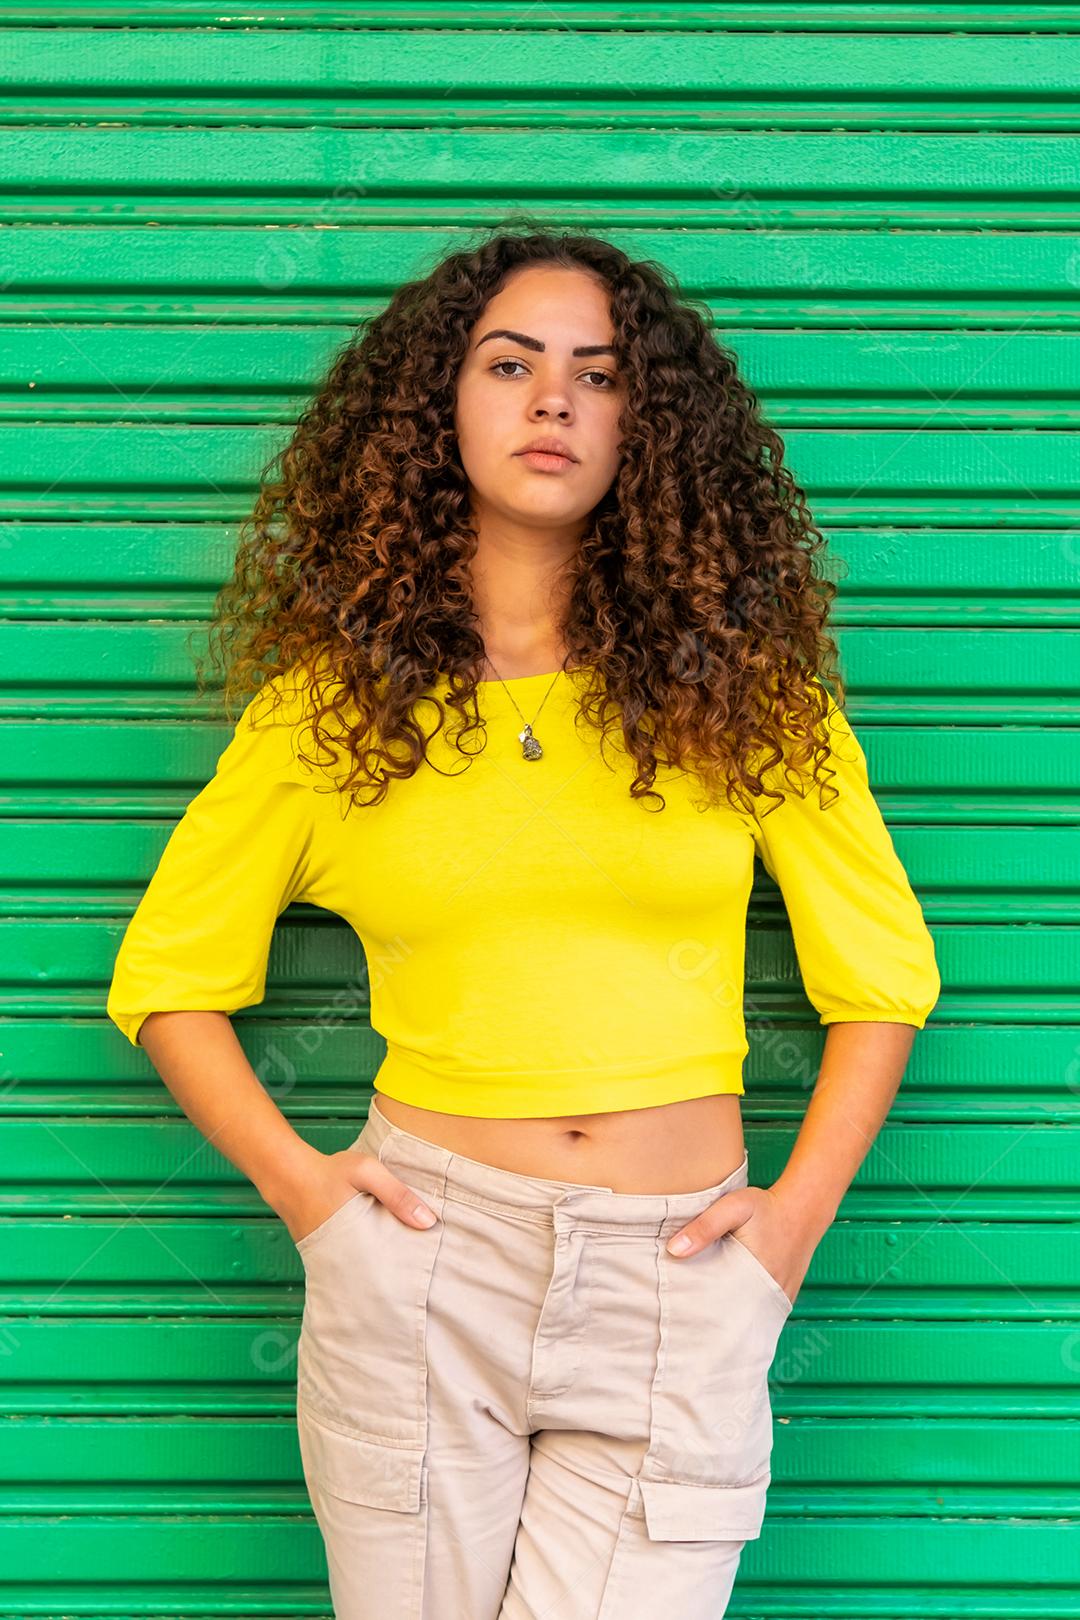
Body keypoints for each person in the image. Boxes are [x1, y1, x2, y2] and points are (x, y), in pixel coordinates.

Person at [105, 222, 941, 1619]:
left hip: (679, 1274)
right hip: (427, 1265)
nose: (552, 400)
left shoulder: (755, 702)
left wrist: (789, 1231)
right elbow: (167, 978)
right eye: (510, 363)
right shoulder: (328, 715)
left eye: (601, 376)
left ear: (647, 433)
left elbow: (883, 979)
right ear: (441, 408)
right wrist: (311, 1198)